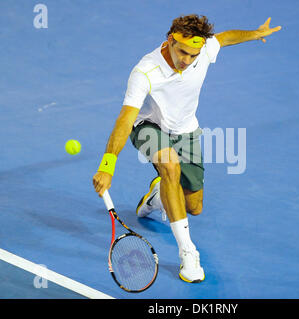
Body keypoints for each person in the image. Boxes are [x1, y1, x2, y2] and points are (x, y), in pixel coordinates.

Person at [93, 14, 281, 283]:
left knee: (194, 206)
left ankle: (157, 197)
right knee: (170, 166)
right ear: (171, 40)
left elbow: (225, 38)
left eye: (194, 55)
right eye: (182, 52)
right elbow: (124, 119)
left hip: (185, 129)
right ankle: (188, 253)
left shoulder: (202, 50)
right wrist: (107, 165)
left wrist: (254, 33)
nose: (187, 60)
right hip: (148, 126)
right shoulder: (145, 71)